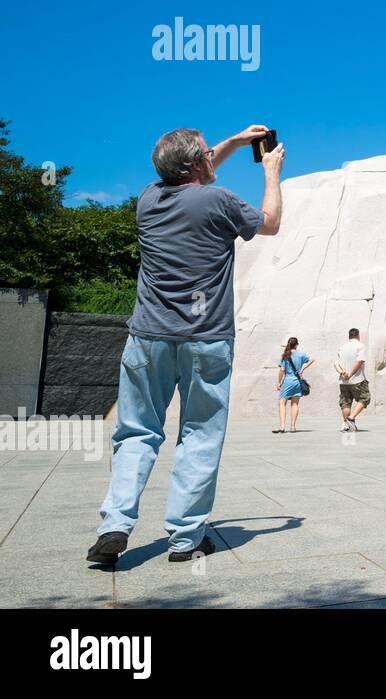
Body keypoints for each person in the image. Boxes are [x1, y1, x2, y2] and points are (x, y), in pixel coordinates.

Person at [87, 124, 283, 566]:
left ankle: (114, 524)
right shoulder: (219, 201)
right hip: (206, 340)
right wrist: (270, 171)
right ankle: (184, 538)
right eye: (209, 155)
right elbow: (269, 224)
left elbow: (192, 167)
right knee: (199, 436)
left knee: (135, 433)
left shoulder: (148, 200)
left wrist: (232, 142)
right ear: (199, 164)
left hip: (147, 338)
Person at [274, 337, 313, 434]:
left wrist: (279, 383)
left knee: (282, 403)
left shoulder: (285, 355)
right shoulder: (301, 354)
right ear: (297, 344)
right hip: (297, 382)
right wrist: (302, 369)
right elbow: (312, 360)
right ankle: (293, 427)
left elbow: (282, 370)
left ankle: (282, 426)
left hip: (287, 382)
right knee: (295, 404)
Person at [337, 328, 369, 432]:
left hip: (343, 380)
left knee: (346, 402)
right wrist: (350, 373)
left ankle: (346, 425)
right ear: (358, 335)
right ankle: (351, 418)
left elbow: (336, 363)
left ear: (349, 336)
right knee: (365, 398)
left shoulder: (342, 347)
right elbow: (359, 361)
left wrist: (341, 372)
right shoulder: (360, 346)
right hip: (357, 379)